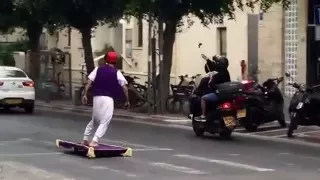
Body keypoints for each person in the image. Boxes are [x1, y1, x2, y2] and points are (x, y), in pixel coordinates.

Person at [81, 52, 130, 147]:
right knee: (105, 120)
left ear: (105, 60)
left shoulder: (97, 69)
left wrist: (85, 94)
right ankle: (94, 140)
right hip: (108, 99)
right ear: (115, 61)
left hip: (96, 97)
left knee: (94, 119)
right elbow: (124, 88)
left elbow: (89, 82)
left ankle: (85, 139)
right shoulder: (117, 72)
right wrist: (127, 100)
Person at [194, 56, 231, 121]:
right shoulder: (226, 72)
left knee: (203, 98)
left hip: (219, 95)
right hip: (227, 95)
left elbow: (211, 83)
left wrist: (211, 84)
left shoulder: (217, 72)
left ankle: (203, 116)